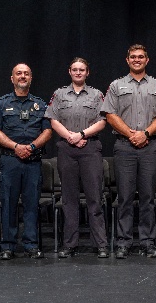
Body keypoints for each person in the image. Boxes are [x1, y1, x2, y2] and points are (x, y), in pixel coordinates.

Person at [101, 44, 156, 259]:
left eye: (141, 57)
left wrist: (146, 134)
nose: (137, 60)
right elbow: (109, 114)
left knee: (147, 197)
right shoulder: (116, 86)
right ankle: (124, 241)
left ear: (147, 60)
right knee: (124, 196)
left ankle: (147, 241)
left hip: (149, 146)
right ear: (127, 60)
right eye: (133, 57)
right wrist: (131, 134)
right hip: (124, 146)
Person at [44, 57, 108, 258]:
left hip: (90, 148)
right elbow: (53, 119)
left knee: (94, 198)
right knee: (69, 199)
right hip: (66, 149)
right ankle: (69, 244)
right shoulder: (59, 94)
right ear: (69, 72)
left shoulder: (97, 95)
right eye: (75, 69)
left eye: (82, 70)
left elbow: (103, 121)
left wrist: (81, 135)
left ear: (87, 72)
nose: (78, 72)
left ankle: (101, 245)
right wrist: (70, 137)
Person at [0, 63, 52, 260]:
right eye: (19, 73)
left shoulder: (41, 104)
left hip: (33, 161)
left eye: (26, 74)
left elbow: (48, 131)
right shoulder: (1, 103)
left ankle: (31, 245)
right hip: (10, 160)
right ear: (12, 78)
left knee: (32, 204)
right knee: (8, 203)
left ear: (31, 78)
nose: (22, 76)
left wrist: (31, 147)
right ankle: (7, 246)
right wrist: (16, 147)